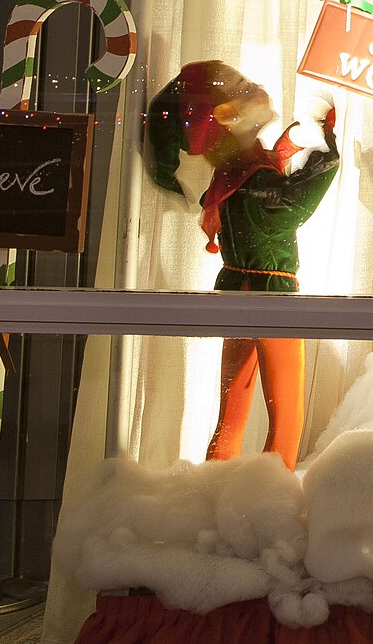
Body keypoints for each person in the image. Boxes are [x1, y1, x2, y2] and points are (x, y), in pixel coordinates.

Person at [142, 61, 340, 467]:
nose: (257, 90)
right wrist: (326, 150)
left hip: (237, 289)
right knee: (286, 415)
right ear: (227, 118)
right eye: (243, 89)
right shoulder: (250, 180)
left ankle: (218, 482)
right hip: (272, 296)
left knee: (234, 405)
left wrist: (291, 144)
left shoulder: (235, 173)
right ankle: (275, 494)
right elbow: (289, 204)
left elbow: (264, 180)